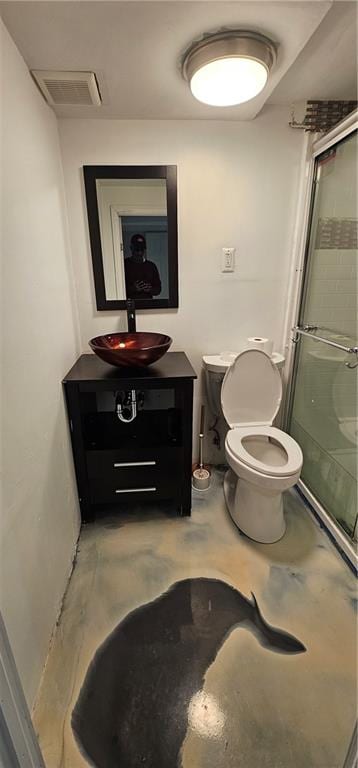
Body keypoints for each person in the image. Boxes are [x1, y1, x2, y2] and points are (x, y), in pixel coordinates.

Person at [124, 233, 162, 299]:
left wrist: (150, 289)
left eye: (142, 250)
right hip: (130, 305)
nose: (140, 253)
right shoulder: (124, 264)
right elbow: (118, 289)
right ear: (131, 248)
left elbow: (158, 289)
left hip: (148, 305)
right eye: (137, 250)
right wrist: (133, 288)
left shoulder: (151, 266)